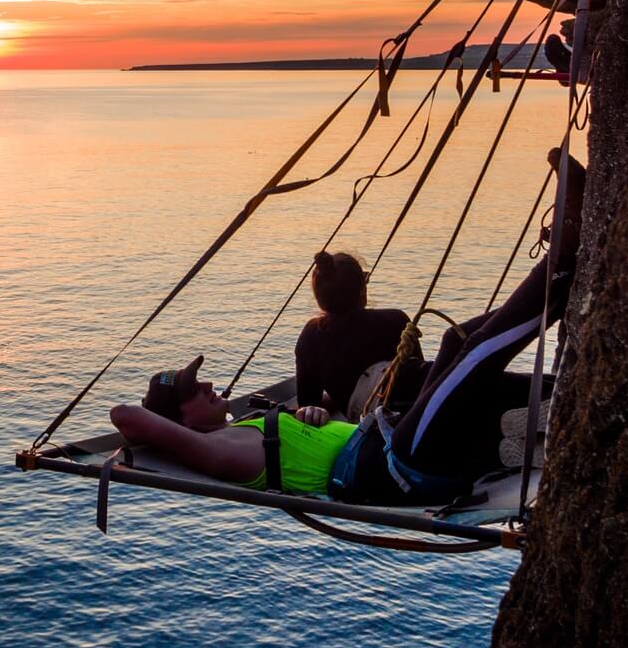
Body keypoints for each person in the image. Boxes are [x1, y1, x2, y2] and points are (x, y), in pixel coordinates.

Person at [369, 147, 587, 499]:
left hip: (403, 438)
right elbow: (249, 463)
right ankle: (559, 263)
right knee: (475, 356)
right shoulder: (263, 440)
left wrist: (309, 412)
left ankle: (556, 307)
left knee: (455, 341)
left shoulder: (283, 431)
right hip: (411, 463)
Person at [109, 355, 356, 495]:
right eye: (193, 391)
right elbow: (124, 415)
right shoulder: (214, 449)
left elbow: (342, 394)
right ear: (181, 423)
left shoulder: (240, 427)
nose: (208, 385)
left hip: (376, 435)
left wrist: (312, 412)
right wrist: (176, 434)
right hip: (370, 461)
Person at [293, 250, 409, 417]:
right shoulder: (396, 321)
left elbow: (308, 405)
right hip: (409, 422)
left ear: (319, 296)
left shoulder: (310, 337)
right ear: (361, 290)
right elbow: (420, 379)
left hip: (363, 431)